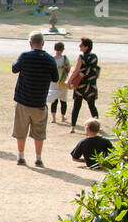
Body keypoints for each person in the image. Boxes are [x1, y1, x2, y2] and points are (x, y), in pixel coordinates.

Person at [10, 30, 59, 167]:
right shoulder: (50, 59)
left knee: (21, 130)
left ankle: (21, 157)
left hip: (23, 100)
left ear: (30, 43)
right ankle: (38, 158)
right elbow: (55, 78)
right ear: (43, 44)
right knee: (39, 132)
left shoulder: (25, 56)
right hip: (39, 102)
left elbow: (14, 69)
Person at [68, 36, 101, 131]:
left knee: (76, 106)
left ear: (86, 46)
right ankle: (96, 126)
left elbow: (76, 70)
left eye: (81, 45)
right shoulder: (94, 57)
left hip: (81, 84)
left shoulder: (81, 56)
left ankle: (73, 126)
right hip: (91, 85)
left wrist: (69, 81)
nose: (79, 46)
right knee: (92, 106)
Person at [49, 41, 71, 123]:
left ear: (55, 48)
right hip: (63, 82)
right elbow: (69, 70)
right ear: (63, 49)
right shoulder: (65, 59)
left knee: (54, 101)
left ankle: (53, 118)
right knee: (63, 101)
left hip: (53, 82)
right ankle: (62, 117)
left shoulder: (51, 58)